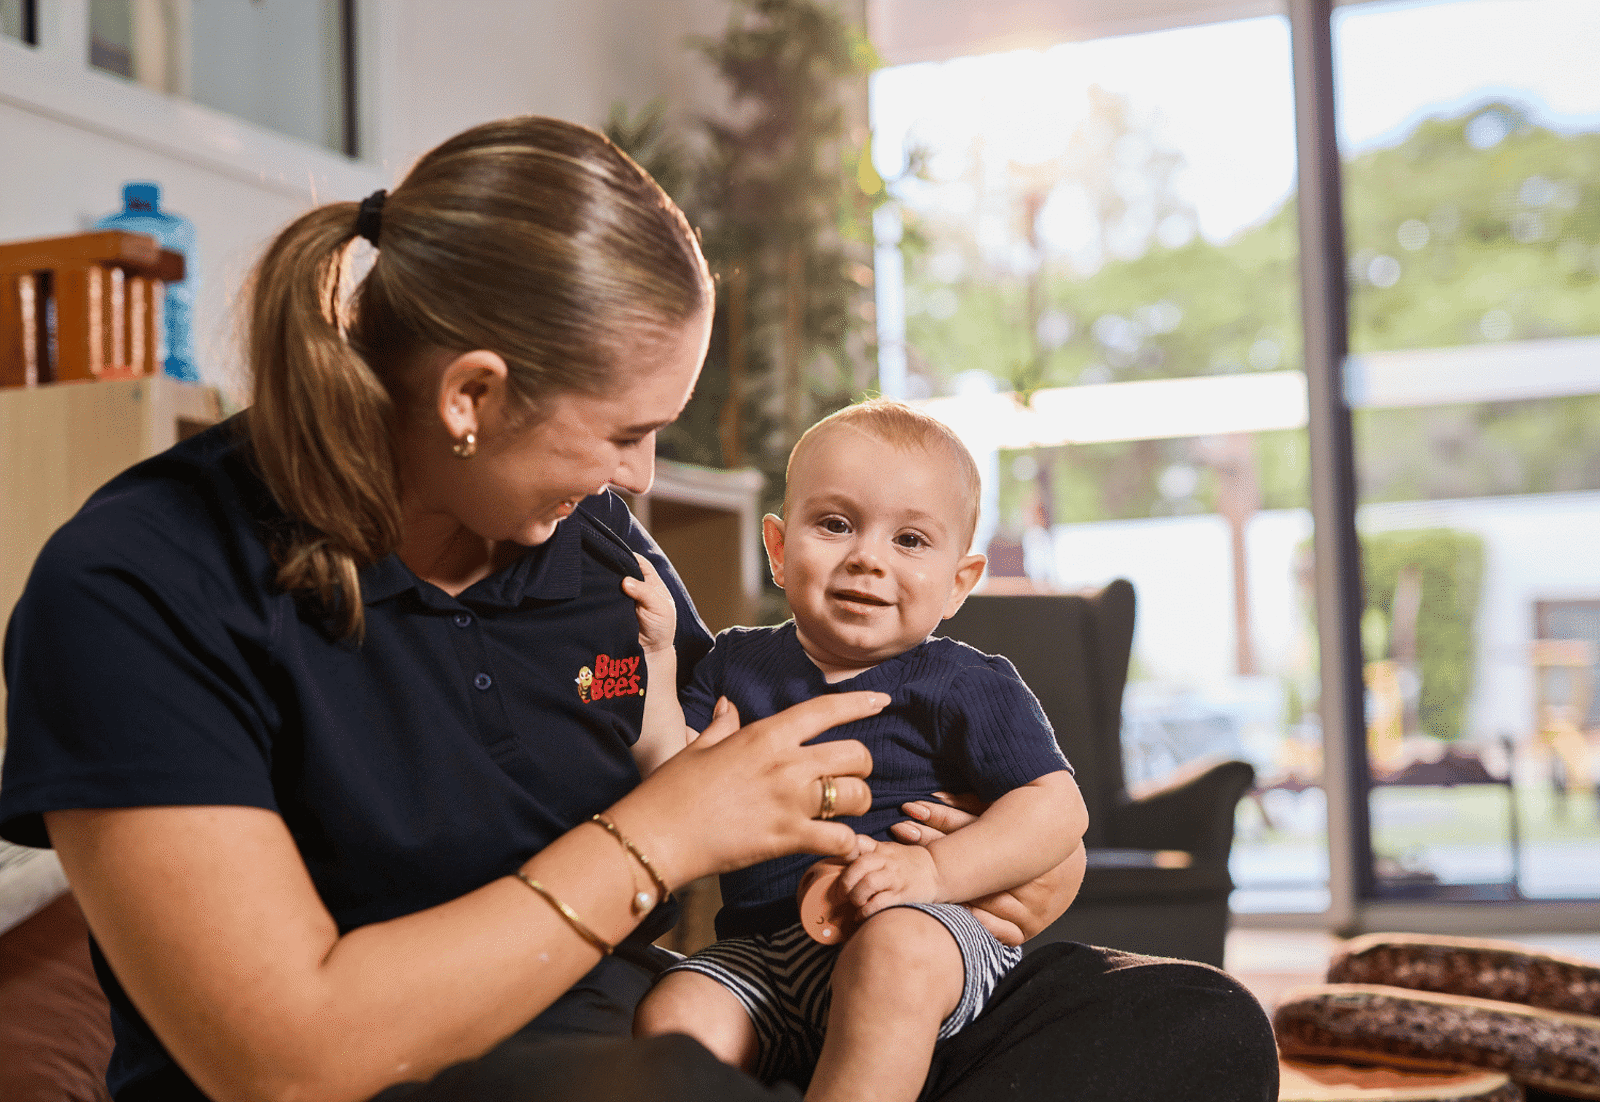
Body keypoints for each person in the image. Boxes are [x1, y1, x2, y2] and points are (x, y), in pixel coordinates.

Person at [0, 115, 1279, 1102]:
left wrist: (1006, 873)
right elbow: (284, 1054)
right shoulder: (140, 582)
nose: (640, 478)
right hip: (412, 1075)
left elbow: (758, 767)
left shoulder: (592, 539)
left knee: (1184, 1023)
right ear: (471, 396)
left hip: (661, 1036)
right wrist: (661, 834)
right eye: (625, 432)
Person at [629, 399, 1084, 1102]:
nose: (868, 558)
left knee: (894, 958)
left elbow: (1056, 809)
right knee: (676, 1010)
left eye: (910, 540)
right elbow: (671, 779)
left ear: (958, 583)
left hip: (924, 928)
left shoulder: (965, 682)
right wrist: (658, 661)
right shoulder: (733, 664)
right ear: (779, 550)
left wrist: (934, 870)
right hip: (763, 949)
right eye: (835, 525)